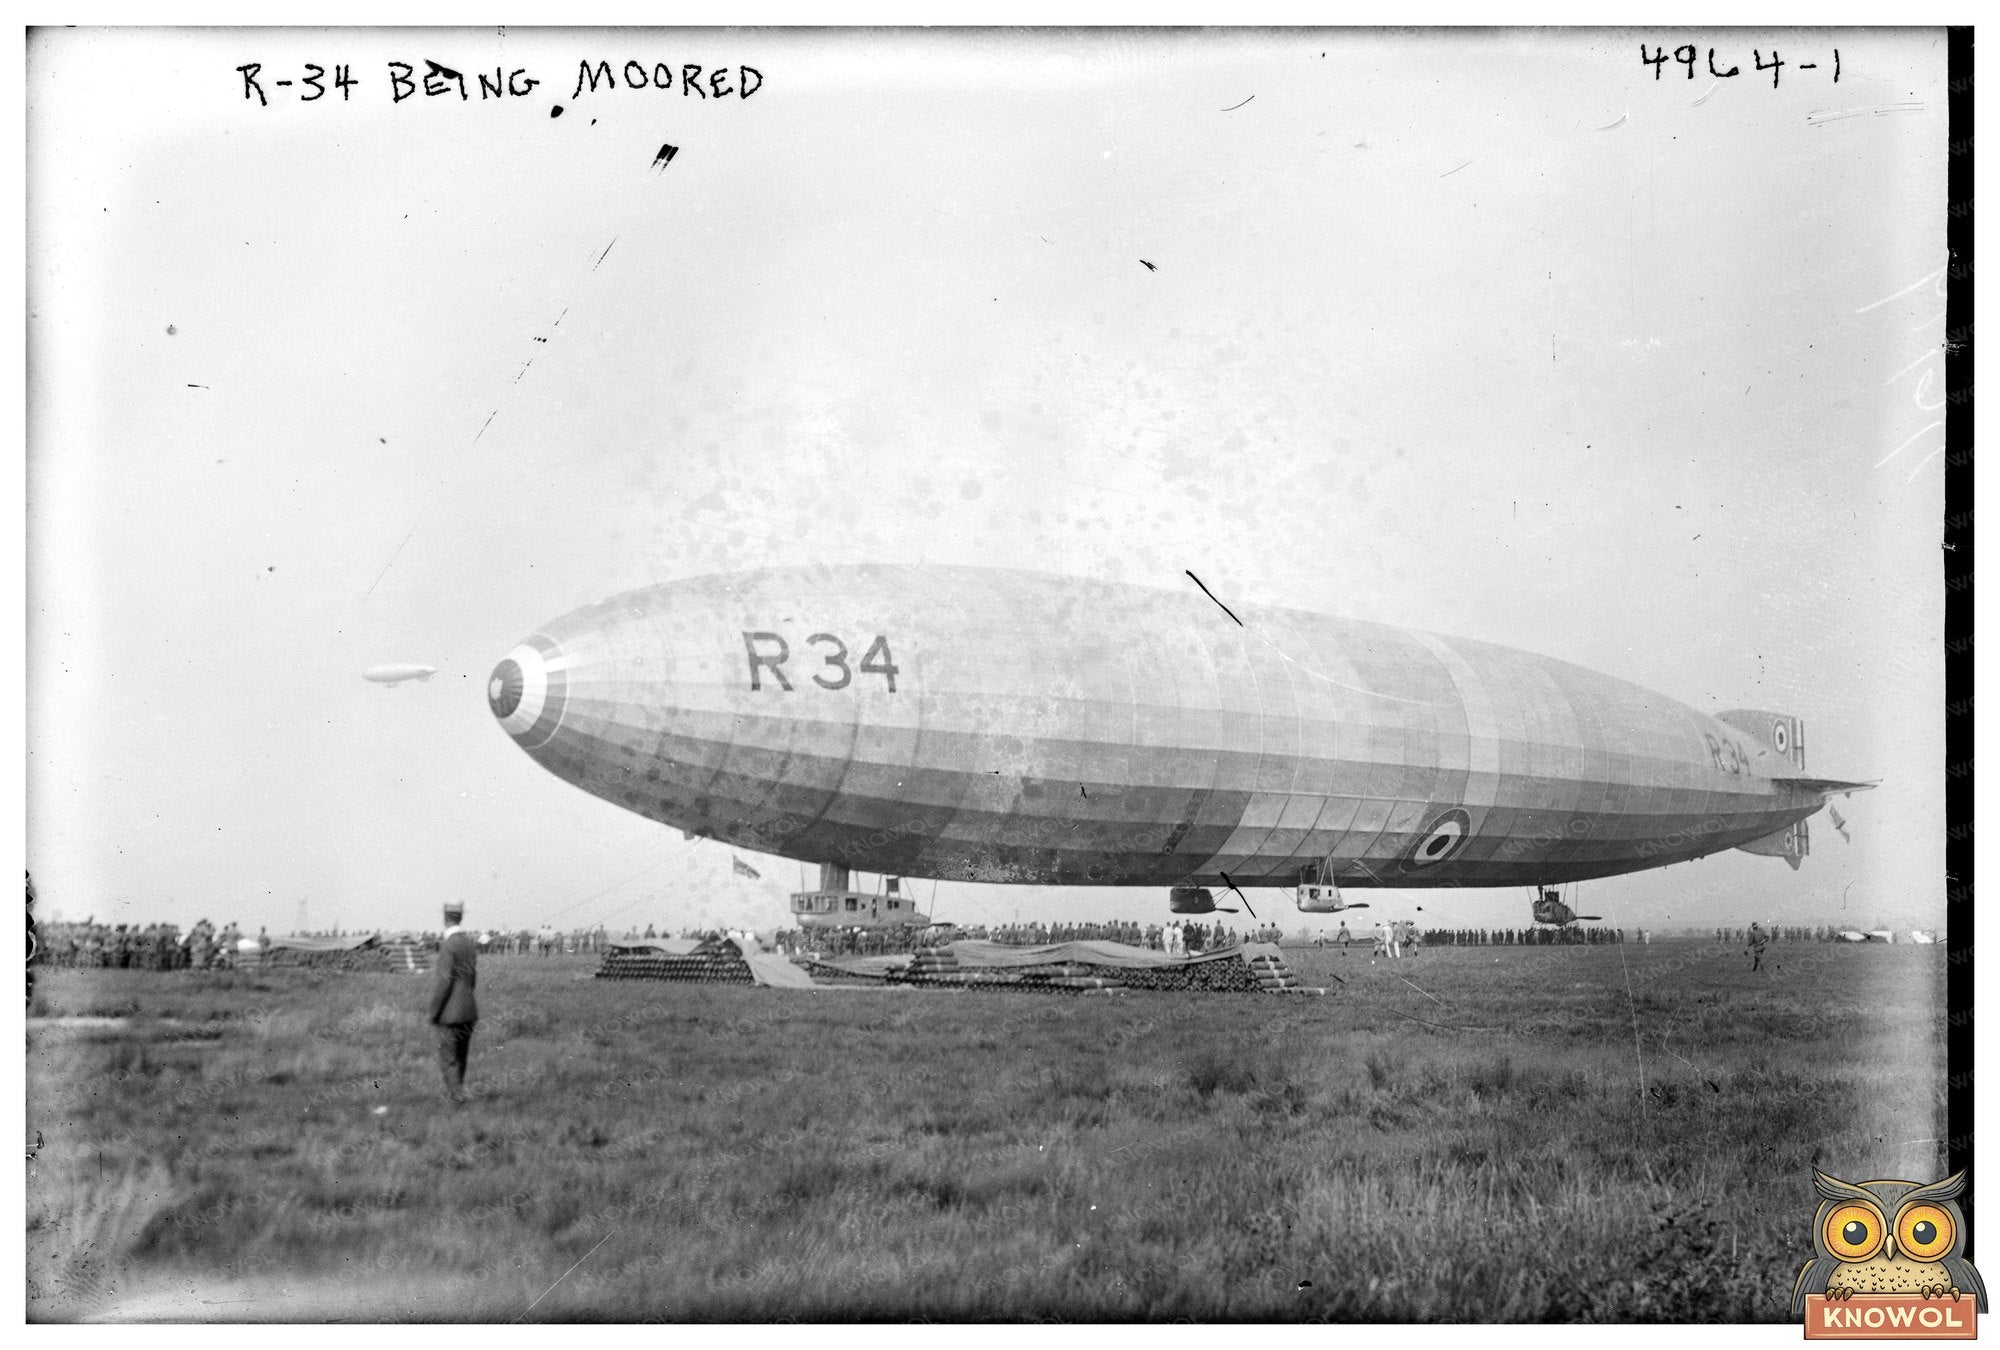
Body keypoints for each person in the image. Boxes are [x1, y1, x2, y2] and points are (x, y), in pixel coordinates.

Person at [428, 903, 480, 1105]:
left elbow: (444, 981)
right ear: (461, 918)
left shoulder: (448, 945)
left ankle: (457, 1100)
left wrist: (434, 1011)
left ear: (445, 918)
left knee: (449, 1059)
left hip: (450, 1012)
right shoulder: (469, 943)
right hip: (469, 1009)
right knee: (461, 1057)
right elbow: (472, 978)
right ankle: (458, 1095)